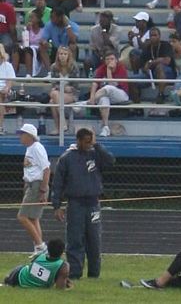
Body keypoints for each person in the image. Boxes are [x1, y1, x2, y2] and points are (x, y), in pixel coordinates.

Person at [52, 128, 114, 280]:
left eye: (91, 141)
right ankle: (74, 273)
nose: (89, 145)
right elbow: (57, 183)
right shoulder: (67, 158)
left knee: (94, 239)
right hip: (75, 204)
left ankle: (94, 273)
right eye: (86, 142)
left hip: (93, 203)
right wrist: (57, 205)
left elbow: (111, 161)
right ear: (78, 141)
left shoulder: (95, 154)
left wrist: (97, 145)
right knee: (75, 239)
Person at [16, 123, 50, 256]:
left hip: (37, 185)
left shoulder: (37, 148)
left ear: (30, 136)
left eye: (22, 134)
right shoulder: (30, 149)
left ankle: (41, 245)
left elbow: (46, 169)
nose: (20, 137)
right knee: (33, 218)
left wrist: (43, 190)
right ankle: (38, 247)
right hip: (32, 185)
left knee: (22, 217)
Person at [3, 238, 71, 289]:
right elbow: (60, 288)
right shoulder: (63, 266)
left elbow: (32, 267)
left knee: (9, 279)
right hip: (26, 280)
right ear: (62, 251)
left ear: (48, 249)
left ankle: (6, 282)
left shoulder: (40, 256)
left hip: (19, 276)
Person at [90, 49, 129, 137]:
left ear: (116, 60)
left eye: (112, 59)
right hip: (105, 94)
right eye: (107, 59)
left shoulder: (121, 68)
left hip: (121, 95)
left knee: (108, 88)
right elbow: (95, 83)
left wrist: (108, 70)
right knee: (103, 99)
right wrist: (92, 95)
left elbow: (111, 84)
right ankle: (105, 127)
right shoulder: (101, 68)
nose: (109, 61)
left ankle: (87, 102)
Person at [48, 46, 80, 135]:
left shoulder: (74, 66)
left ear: (68, 56)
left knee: (53, 97)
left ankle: (60, 126)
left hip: (72, 94)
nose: (62, 56)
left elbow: (75, 86)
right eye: (61, 54)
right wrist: (63, 88)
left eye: (65, 54)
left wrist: (64, 88)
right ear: (58, 55)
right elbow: (54, 84)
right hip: (59, 93)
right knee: (52, 100)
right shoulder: (54, 67)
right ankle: (61, 126)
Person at [85, 10, 120, 74]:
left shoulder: (117, 29)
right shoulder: (94, 30)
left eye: (104, 20)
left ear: (110, 21)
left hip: (112, 54)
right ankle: (90, 77)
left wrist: (104, 31)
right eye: (101, 20)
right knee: (88, 61)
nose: (101, 22)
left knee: (108, 51)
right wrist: (100, 56)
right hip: (98, 54)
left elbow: (110, 44)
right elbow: (93, 48)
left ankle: (110, 77)